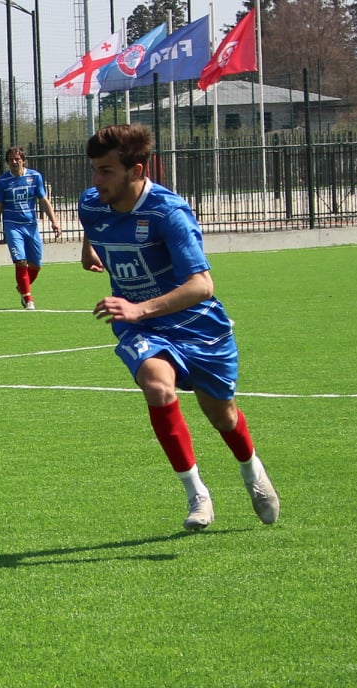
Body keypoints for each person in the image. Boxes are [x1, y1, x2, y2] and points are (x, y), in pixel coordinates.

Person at [79, 123, 280, 531]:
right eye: (95, 170)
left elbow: (202, 286)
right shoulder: (92, 203)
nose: (96, 181)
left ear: (137, 171)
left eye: (106, 171)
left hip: (198, 326)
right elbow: (94, 226)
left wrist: (139, 308)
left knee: (222, 416)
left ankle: (251, 470)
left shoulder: (168, 213)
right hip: (142, 328)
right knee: (157, 386)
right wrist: (90, 250)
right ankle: (197, 494)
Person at [0, 146, 63, 310]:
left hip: (31, 225)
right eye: (11, 160)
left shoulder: (35, 177)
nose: (14, 162)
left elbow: (44, 200)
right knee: (20, 261)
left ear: (23, 160)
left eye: (17, 159)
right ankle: (28, 299)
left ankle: (22, 286)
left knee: (36, 265)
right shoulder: (2, 181)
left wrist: (54, 221)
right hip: (12, 226)